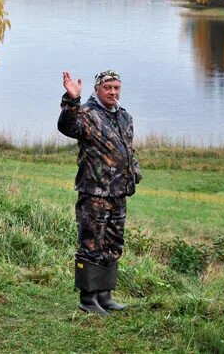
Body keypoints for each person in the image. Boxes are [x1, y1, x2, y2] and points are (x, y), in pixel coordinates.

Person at [57, 69, 142, 315]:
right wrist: (71, 99)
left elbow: (128, 148)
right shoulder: (86, 114)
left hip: (118, 193)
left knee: (113, 244)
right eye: (108, 88)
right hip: (94, 193)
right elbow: (66, 126)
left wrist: (134, 169)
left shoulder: (125, 117)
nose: (113, 92)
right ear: (97, 90)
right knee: (91, 244)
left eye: (116, 88)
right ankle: (88, 299)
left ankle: (105, 295)